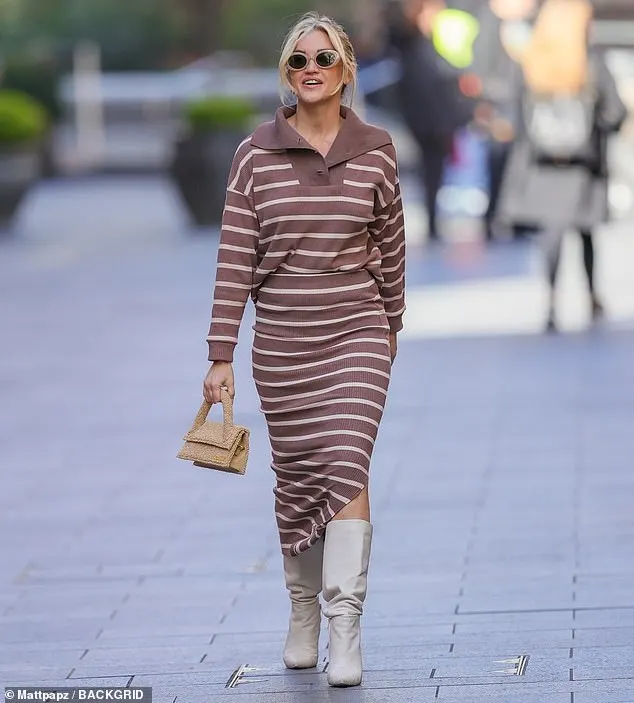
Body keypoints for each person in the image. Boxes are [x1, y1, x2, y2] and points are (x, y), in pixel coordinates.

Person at [202, 12, 406, 688]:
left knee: (346, 464)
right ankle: (301, 611)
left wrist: (391, 327)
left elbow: (393, 245)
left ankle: (345, 624)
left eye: (323, 57)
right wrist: (221, 351)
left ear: (346, 69)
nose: (310, 68)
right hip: (283, 340)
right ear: (286, 74)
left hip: (357, 329)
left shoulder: (377, 148)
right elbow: (235, 257)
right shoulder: (253, 155)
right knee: (298, 480)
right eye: (297, 60)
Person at [496, 0, 627, 331]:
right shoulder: (592, 62)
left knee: (551, 235)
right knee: (586, 232)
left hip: (543, 165)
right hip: (583, 165)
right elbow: (616, 112)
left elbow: (515, 112)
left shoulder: (532, 60)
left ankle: (552, 299)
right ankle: (592, 295)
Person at [386, 0, 474, 241]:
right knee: (428, 169)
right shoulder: (409, 45)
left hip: (440, 117)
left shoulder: (440, 42)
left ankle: (433, 219)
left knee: (435, 170)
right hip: (423, 118)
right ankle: (430, 220)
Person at [470, 0, 537, 240]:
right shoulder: (489, 23)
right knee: (498, 165)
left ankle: (519, 218)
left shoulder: (526, 24)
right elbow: (480, 70)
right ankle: (493, 218)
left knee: (520, 165)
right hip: (500, 107)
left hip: (523, 107)